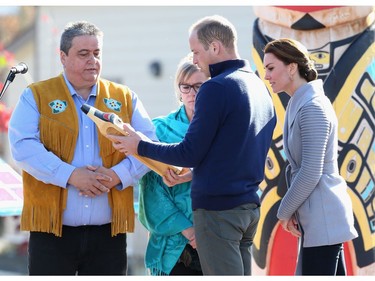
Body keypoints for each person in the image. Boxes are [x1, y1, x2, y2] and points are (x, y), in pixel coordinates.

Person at [107, 15, 277, 275]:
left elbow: (189, 152)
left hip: (218, 211)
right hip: (249, 209)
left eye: (196, 52)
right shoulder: (258, 85)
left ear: (215, 47)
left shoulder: (216, 87)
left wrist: (139, 145)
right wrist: (193, 174)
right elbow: (237, 152)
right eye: (185, 87)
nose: (194, 59)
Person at [8, 21, 157, 275]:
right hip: (51, 235)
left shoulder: (124, 97)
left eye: (97, 53)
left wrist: (116, 176)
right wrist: (70, 175)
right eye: (84, 54)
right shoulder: (37, 96)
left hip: (108, 237)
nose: (93, 61)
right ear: (63, 57)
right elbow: (22, 146)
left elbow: (149, 145)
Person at [262, 38, 358, 275]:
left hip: (323, 218)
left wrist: (283, 211)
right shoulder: (301, 102)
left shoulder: (313, 106)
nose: (266, 75)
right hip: (317, 219)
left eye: (271, 68)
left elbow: (311, 171)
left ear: (292, 67)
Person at [138, 55, 208, 276]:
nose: (192, 93)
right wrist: (189, 232)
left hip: (217, 234)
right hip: (176, 247)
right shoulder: (159, 130)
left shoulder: (224, 129)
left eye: (199, 86)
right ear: (178, 89)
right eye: (186, 87)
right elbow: (152, 190)